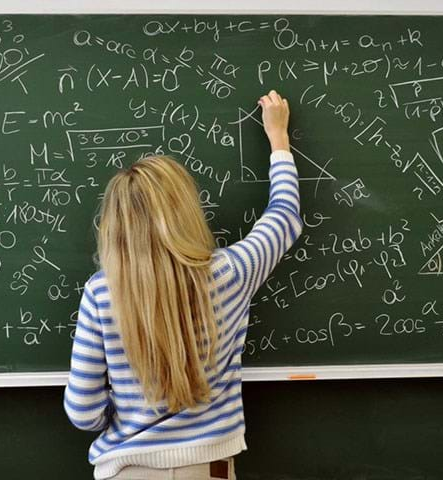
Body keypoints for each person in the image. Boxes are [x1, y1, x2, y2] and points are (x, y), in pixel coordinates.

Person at [63, 90, 303, 479]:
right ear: (185, 209)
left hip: (128, 469)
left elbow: (82, 411)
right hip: (207, 468)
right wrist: (278, 138)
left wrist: (129, 408)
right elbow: (285, 216)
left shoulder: (101, 294)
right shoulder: (229, 272)